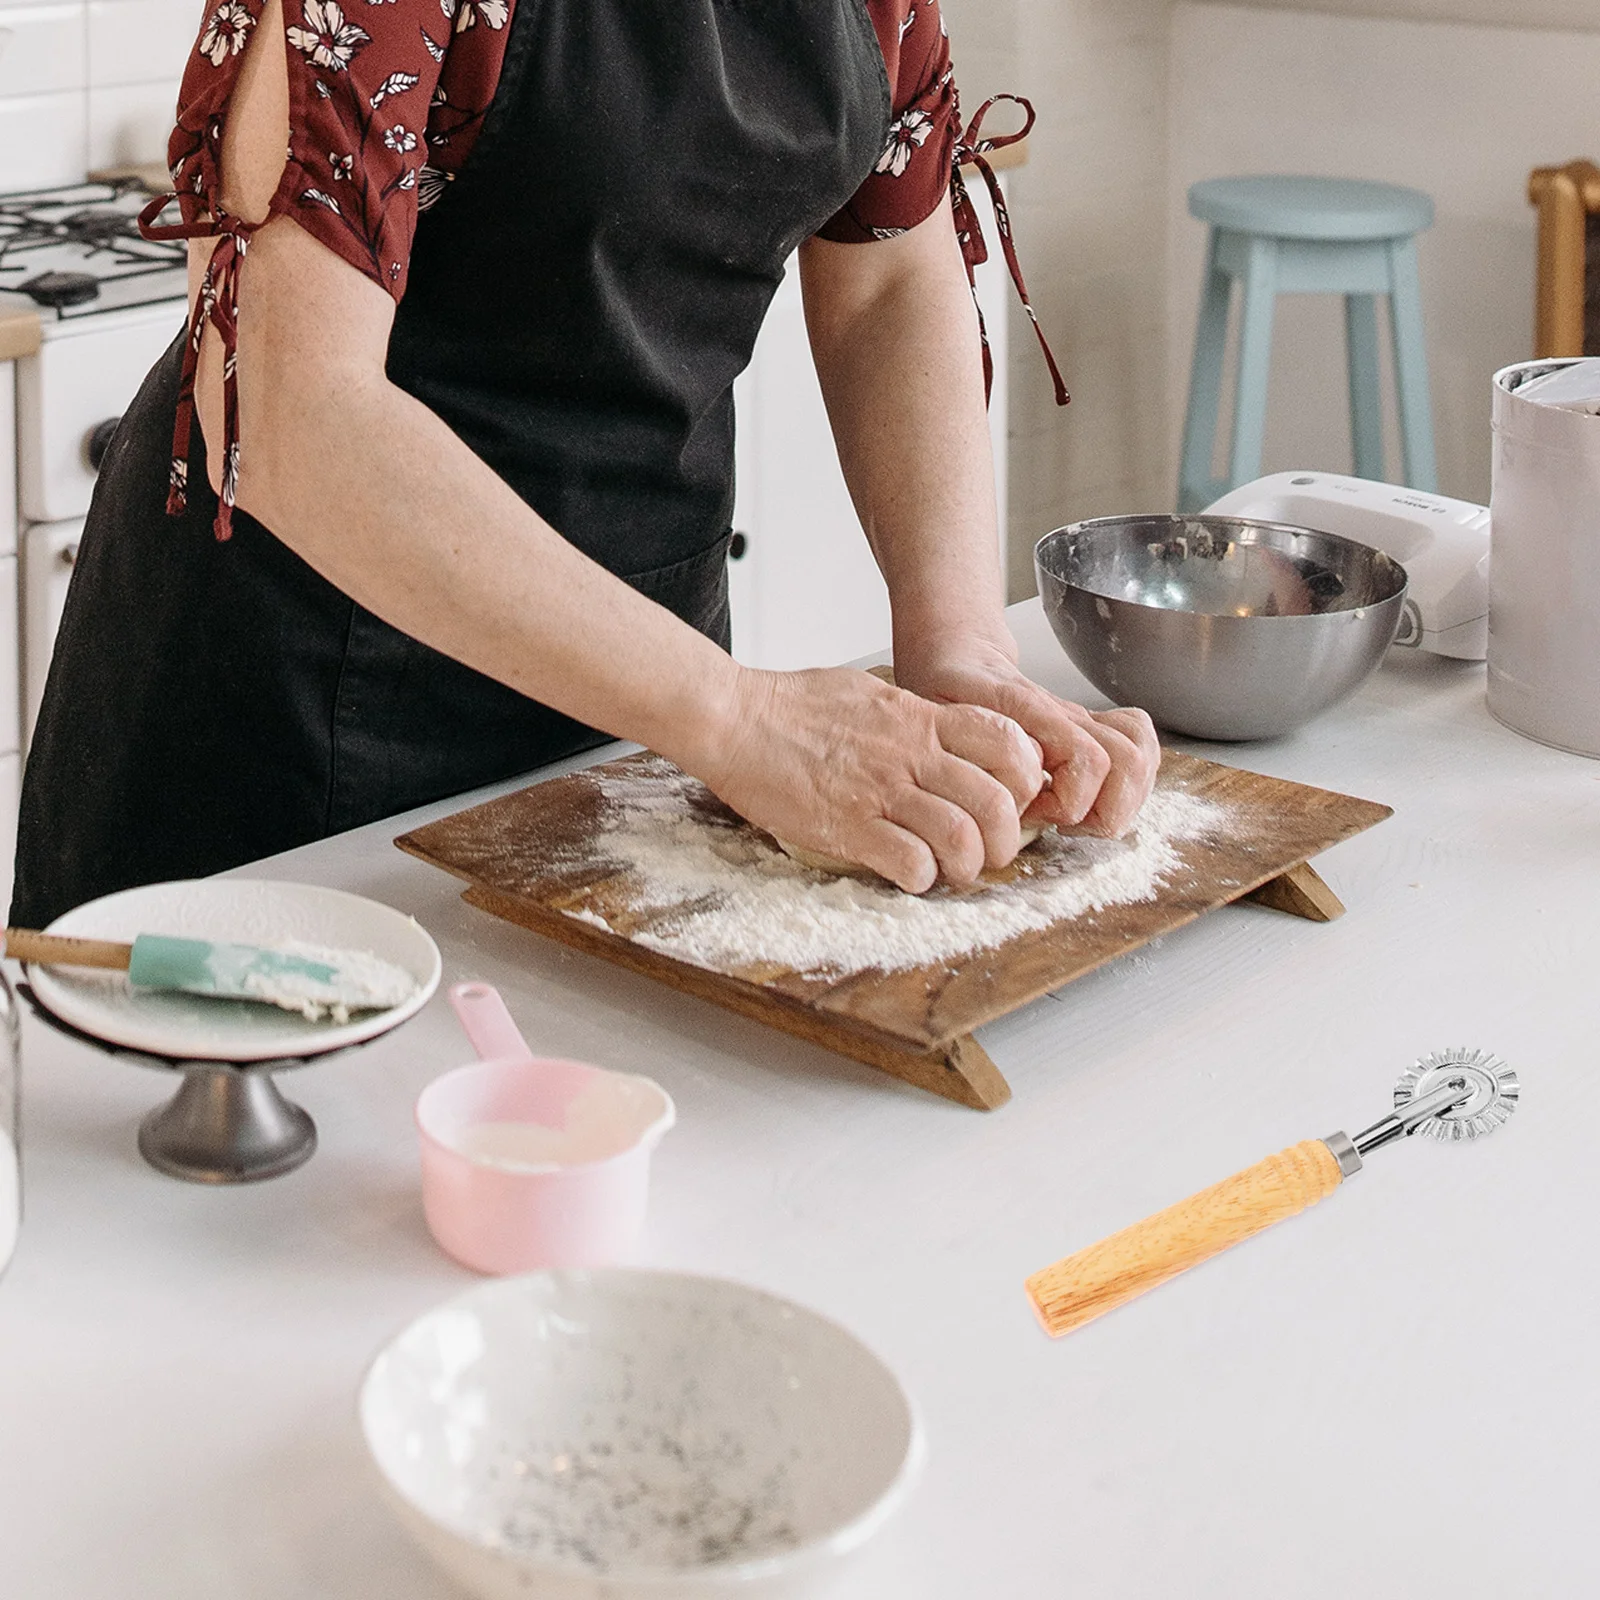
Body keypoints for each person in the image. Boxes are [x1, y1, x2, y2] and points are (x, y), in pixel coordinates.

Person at [9, 0, 1158, 929]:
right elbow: (290, 408)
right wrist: (741, 723)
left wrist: (956, 644)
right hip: (303, 707)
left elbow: (887, 277)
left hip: (637, 684)